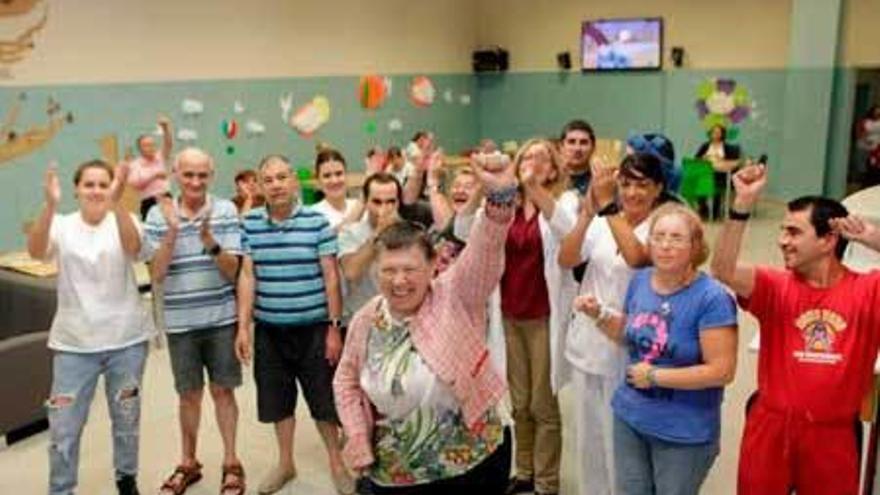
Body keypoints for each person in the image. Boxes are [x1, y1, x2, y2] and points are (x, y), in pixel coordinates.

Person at [333, 156, 518, 494]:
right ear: (376, 270)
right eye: (389, 270)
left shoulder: (456, 294)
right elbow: (345, 379)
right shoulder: (367, 318)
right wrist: (357, 435)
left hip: (473, 463)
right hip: (397, 471)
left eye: (410, 269)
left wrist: (501, 197)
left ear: (433, 265)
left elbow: (486, 249)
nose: (399, 281)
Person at [710, 162, 880, 494]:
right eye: (782, 230)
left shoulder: (868, 290)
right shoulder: (775, 286)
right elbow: (722, 268)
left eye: (793, 232)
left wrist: (875, 239)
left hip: (832, 436)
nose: (781, 241)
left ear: (828, 239)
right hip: (771, 428)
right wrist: (741, 206)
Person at [576, 202, 738, 495]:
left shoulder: (712, 298)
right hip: (630, 417)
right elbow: (632, 333)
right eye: (658, 236)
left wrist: (655, 376)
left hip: (683, 431)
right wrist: (598, 314)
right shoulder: (640, 280)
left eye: (676, 238)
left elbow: (722, 371)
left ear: (695, 245)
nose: (665, 245)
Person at [28, 160, 154, 495]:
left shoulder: (126, 221)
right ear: (76, 189)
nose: (96, 191)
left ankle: (126, 479)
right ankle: (61, 489)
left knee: (126, 420)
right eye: (89, 184)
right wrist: (50, 205)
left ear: (112, 187)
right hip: (73, 345)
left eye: (103, 184)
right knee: (64, 429)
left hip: (126, 341)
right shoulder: (61, 224)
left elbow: (134, 249)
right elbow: (36, 251)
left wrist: (118, 203)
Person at [557, 153, 673, 495]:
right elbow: (566, 259)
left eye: (642, 185)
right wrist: (588, 213)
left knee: (619, 442)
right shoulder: (603, 220)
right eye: (625, 183)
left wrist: (607, 204)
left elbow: (637, 257)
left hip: (628, 344)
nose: (632, 192)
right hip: (587, 341)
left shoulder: (662, 227)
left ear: (658, 189)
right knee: (587, 437)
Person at [236, 154, 353, 495]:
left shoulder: (316, 223)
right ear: (260, 186)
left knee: (323, 401)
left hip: (314, 328)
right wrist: (243, 327)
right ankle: (285, 463)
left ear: (295, 181)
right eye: (268, 179)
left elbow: (331, 277)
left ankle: (336, 462)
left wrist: (334, 326)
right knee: (277, 401)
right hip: (270, 331)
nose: (276, 185)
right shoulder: (251, 224)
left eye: (282, 177)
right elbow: (247, 275)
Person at [144, 148, 247, 495]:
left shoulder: (226, 211)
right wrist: (173, 231)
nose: (195, 182)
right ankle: (188, 463)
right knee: (188, 396)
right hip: (180, 324)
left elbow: (235, 273)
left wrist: (211, 243)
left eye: (202, 175)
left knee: (223, 392)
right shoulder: (158, 215)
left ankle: (232, 462)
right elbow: (156, 274)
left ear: (211, 175)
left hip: (221, 320)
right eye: (188, 175)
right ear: (176, 174)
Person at [499, 138, 579, 495]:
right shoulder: (506, 205)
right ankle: (524, 471)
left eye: (541, 158)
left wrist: (534, 189)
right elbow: (467, 231)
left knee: (542, 403)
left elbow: (567, 231)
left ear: (552, 168)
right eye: (526, 158)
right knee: (518, 403)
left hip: (544, 316)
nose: (532, 163)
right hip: (508, 315)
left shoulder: (565, 201)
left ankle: (547, 482)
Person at [338, 172, 402, 325]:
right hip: (362, 321)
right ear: (366, 202)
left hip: (399, 320)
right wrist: (377, 234)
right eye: (377, 202)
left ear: (398, 202)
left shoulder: (410, 234)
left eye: (390, 202)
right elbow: (351, 272)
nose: (384, 208)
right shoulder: (349, 233)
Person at [126, 116, 173, 219]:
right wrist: (154, 175)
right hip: (149, 201)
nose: (150, 148)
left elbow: (168, 144)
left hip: (165, 197)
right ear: (140, 148)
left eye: (152, 145)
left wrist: (166, 128)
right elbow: (135, 184)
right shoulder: (135, 164)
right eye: (146, 145)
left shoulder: (160, 157)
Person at [694, 124, 741, 219]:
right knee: (700, 183)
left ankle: (715, 211)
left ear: (722, 134)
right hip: (706, 173)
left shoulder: (728, 147)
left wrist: (722, 161)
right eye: (713, 132)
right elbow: (696, 159)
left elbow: (735, 162)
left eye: (718, 132)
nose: (715, 134)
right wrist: (703, 158)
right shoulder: (705, 145)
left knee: (715, 184)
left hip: (722, 175)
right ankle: (704, 210)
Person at [311, 148, 363, 231]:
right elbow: (332, 237)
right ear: (318, 182)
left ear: (346, 176)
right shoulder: (312, 214)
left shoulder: (358, 205)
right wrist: (363, 201)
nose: (334, 181)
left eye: (339, 174)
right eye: (327, 176)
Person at [560, 119, 596, 195]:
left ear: (593, 147)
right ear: (561, 147)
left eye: (583, 143)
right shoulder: (550, 179)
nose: (577, 148)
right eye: (571, 142)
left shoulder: (600, 181)